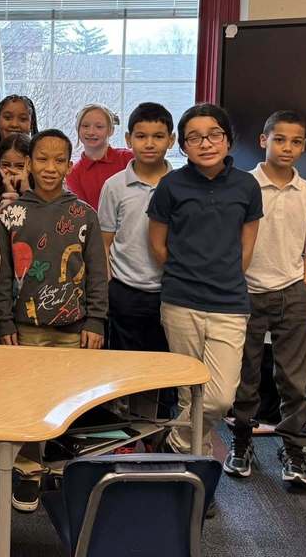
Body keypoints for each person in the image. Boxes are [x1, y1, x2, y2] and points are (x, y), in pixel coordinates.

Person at [0, 129, 108, 513]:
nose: (50, 167)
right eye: (42, 159)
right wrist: (4, 322)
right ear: (28, 163)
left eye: (59, 160)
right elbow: (2, 274)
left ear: (70, 164)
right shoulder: (11, 214)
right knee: (28, 399)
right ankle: (28, 469)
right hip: (26, 327)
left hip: (74, 328)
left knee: (69, 399)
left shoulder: (84, 213)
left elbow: (96, 272)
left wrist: (95, 320)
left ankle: (60, 468)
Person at [147, 104, 262, 471]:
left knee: (218, 397)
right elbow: (158, 244)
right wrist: (189, 272)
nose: (205, 143)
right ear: (183, 145)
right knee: (188, 392)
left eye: (214, 134)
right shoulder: (171, 185)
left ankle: (175, 443)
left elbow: (247, 247)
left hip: (229, 303)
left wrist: (220, 274)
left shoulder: (247, 185)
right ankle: (193, 471)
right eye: (194, 137)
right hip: (181, 301)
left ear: (227, 139)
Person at [224, 110, 306, 489]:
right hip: (246, 293)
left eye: (296, 141)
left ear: (304, 147)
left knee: (294, 379)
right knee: (244, 377)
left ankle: (295, 451)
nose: (288, 147)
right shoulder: (242, 185)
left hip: (292, 295)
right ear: (264, 140)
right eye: (279, 139)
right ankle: (241, 441)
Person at [98, 102, 176, 418]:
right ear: (129, 139)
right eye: (141, 136)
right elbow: (105, 242)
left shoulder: (182, 184)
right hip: (126, 289)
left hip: (170, 290)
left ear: (171, 140)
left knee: (167, 368)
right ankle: (127, 432)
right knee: (126, 366)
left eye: (158, 136)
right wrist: (109, 286)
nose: (149, 143)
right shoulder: (114, 186)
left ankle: (164, 434)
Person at [66, 103, 134, 211]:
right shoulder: (73, 173)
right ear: (78, 130)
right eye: (85, 126)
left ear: (111, 130)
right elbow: (84, 213)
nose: (91, 132)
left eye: (99, 127)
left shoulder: (129, 159)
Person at [0, 132, 31, 220]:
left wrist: (26, 193)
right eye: (6, 165)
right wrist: (10, 197)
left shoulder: (42, 194)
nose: (12, 171)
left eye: (20, 166)